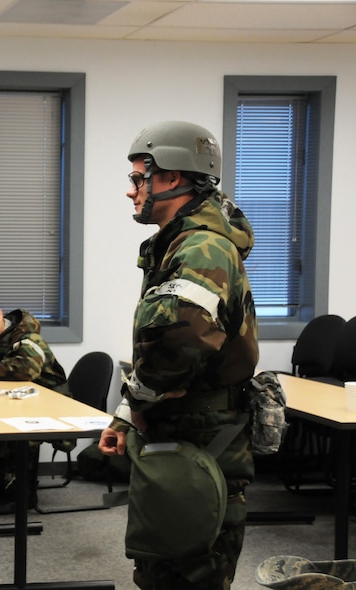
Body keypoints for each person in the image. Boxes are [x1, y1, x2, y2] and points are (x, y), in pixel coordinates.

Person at [98, 121, 259, 590]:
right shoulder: (178, 243)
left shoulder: (201, 247)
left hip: (202, 437)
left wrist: (138, 405)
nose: (131, 191)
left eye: (137, 178)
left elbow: (181, 344)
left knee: (187, 572)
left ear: (171, 177)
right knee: (162, 562)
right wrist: (129, 414)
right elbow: (166, 350)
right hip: (182, 432)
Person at [0, 299, 69, 515]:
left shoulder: (27, 338)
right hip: (19, 400)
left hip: (51, 405)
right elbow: (0, 366)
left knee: (18, 435)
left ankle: (22, 496)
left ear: (0, 315)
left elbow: (25, 372)